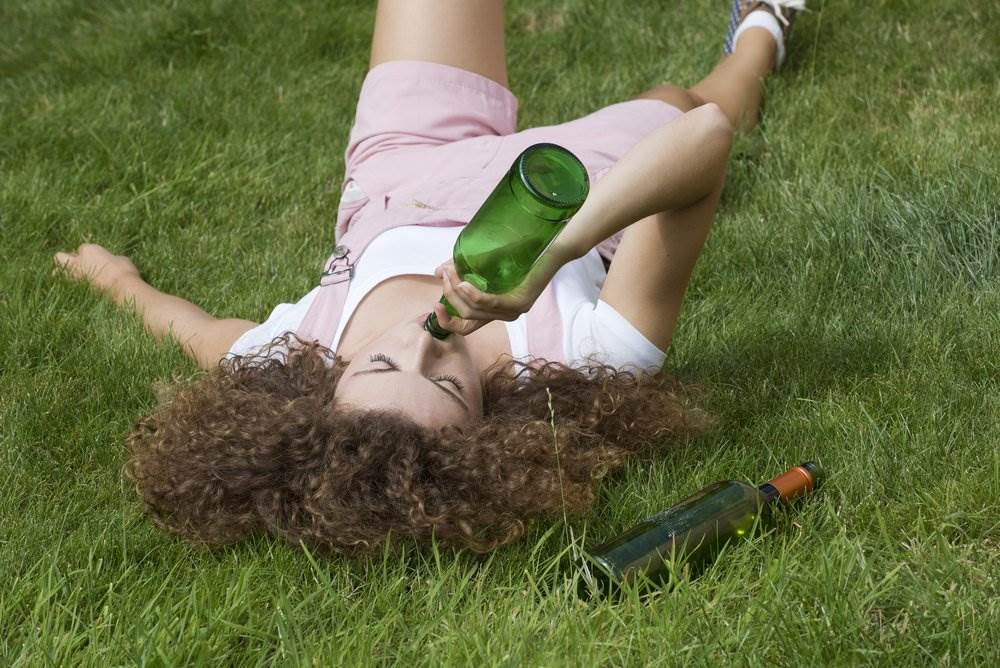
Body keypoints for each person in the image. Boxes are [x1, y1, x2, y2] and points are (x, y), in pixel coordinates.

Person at [54, 1, 807, 553]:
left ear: (329, 378)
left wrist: (116, 280)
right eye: (448, 383)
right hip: (583, 181)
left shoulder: (288, 350)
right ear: (489, 424)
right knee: (692, 102)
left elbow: (189, 328)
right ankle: (763, 31)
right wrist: (547, 254)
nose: (423, 344)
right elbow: (699, 144)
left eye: (382, 361)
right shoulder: (584, 358)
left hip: (406, 166)